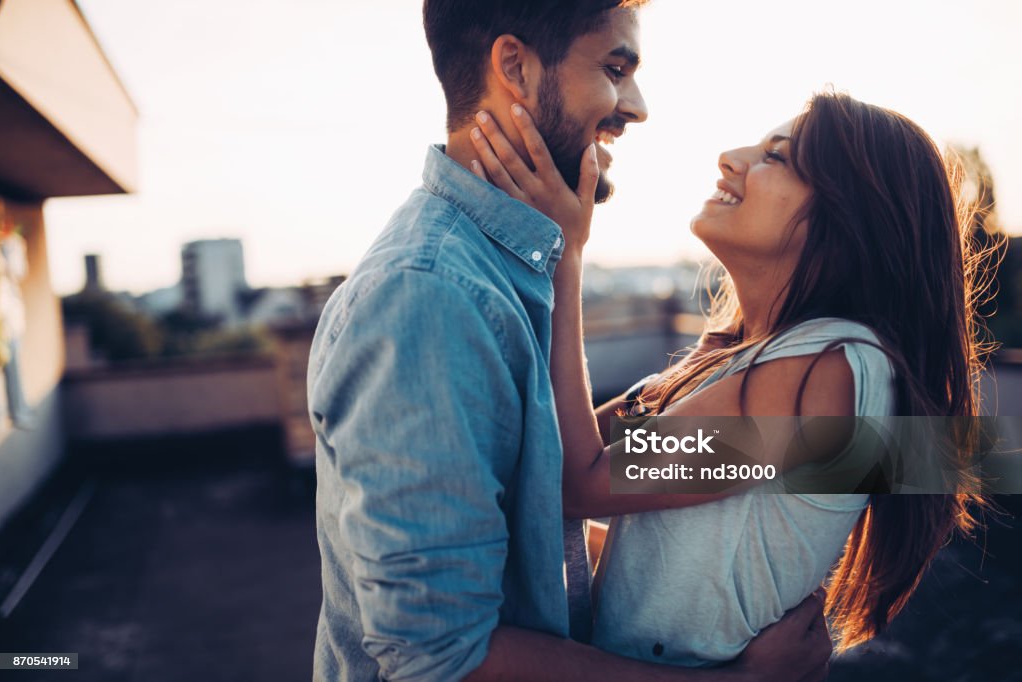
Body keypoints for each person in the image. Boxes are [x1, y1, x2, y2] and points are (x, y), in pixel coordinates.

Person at [309, 1, 834, 680]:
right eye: (615, 68)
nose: (636, 106)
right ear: (515, 68)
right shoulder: (431, 295)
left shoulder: (494, 276)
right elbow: (440, 656)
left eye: (777, 157)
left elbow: (559, 505)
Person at [468, 89, 988, 668]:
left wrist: (563, 252)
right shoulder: (744, 360)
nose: (731, 157)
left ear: (848, 220)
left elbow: (576, 481)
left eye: (778, 157)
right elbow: (574, 474)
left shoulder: (831, 370)